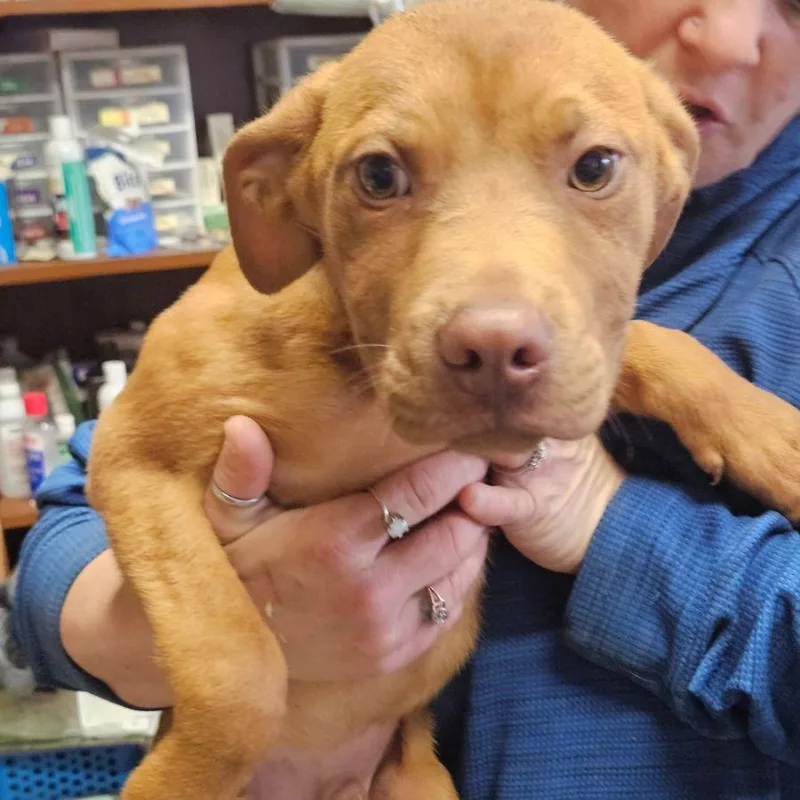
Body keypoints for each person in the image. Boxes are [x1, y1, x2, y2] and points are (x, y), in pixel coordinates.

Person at [6, 0, 800, 796]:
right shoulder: (333, 222)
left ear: (665, 177)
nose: (728, 35)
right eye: (384, 176)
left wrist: (606, 521)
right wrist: (214, 643)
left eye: (594, 169)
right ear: (281, 194)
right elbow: (64, 545)